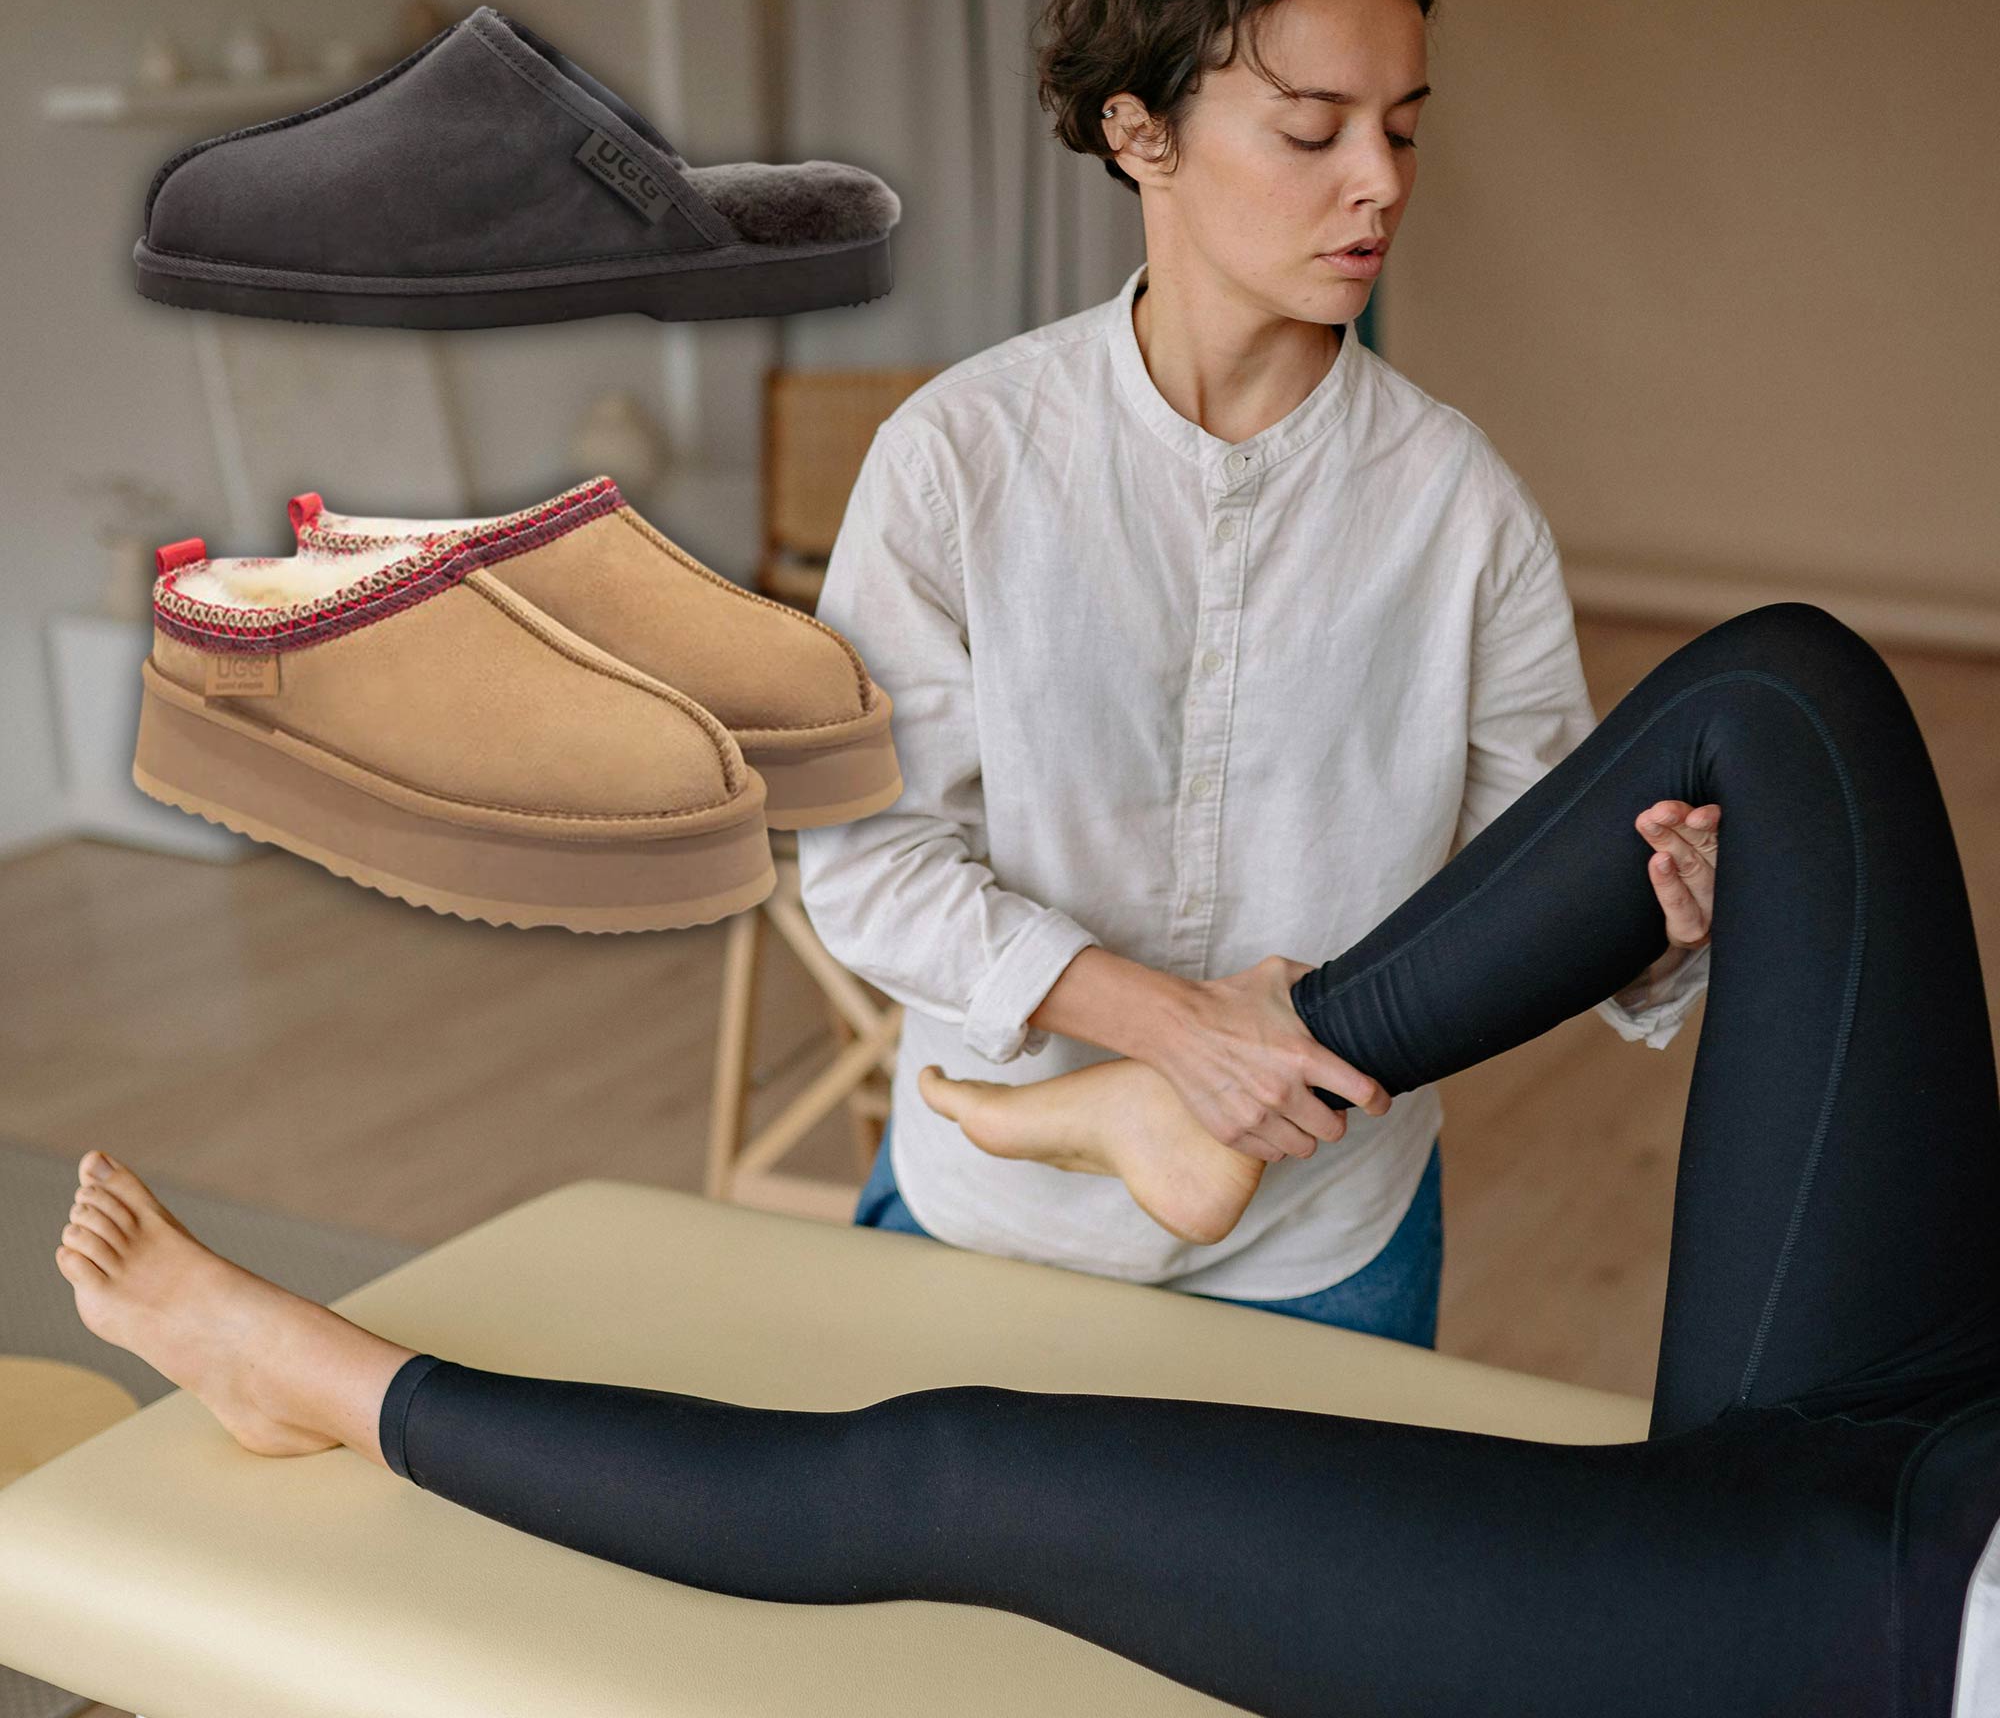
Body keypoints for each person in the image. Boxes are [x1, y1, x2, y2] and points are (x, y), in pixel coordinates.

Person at [58, 602, 2000, 1717]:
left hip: (1867, 1638)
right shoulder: (989, 442)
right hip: (1957, 1418)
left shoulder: (1439, 487)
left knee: (959, 1468)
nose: (1369, 184)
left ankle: (309, 1378)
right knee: (1785, 700)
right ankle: (1243, 1072)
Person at [797, 0, 1712, 1347]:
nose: (1381, 182)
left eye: (1404, 130)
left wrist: (1662, 925)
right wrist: (1173, 1035)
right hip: (988, 1220)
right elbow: (867, 862)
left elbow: (1532, 870)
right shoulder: (960, 459)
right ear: (1138, 132)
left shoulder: (1456, 503)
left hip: (1325, 1244)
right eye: (1312, 130)